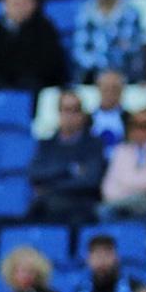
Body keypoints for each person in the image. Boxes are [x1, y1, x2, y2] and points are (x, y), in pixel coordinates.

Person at [28, 88, 107, 224]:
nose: (70, 115)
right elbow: (35, 173)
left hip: (81, 206)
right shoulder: (46, 144)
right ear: (59, 113)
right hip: (48, 205)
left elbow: (90, 181)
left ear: (83, 114)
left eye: (75, 110)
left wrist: (50, 185)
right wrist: (70, 169)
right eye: (66, 109)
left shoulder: (94, 144)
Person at [0, 0, 69, 92]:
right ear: (4, 5)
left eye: (24, 1)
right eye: (14, 2)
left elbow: (50, 67)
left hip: (36, 86)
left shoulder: (45, 28)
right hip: (3, 87)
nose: (20, 7)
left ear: (34, 2)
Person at [73, 0, 142, 79]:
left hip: (124, 78)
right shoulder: (84, 15)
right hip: (93, 77)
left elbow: (132, 50)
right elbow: (81, 53)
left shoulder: (130, 13)